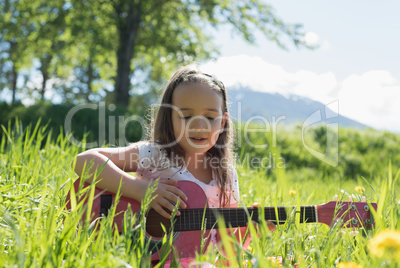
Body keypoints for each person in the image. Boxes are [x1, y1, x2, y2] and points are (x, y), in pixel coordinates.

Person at [72, 64, 275, 267]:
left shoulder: (225, 175)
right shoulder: (156, 155)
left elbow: (225, 247)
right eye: (186, 116)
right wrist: (142, 190)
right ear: (170, 119)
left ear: (222, 123)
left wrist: (250, 231)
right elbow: (83, 161)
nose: (199, 125)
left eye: (210, 117)